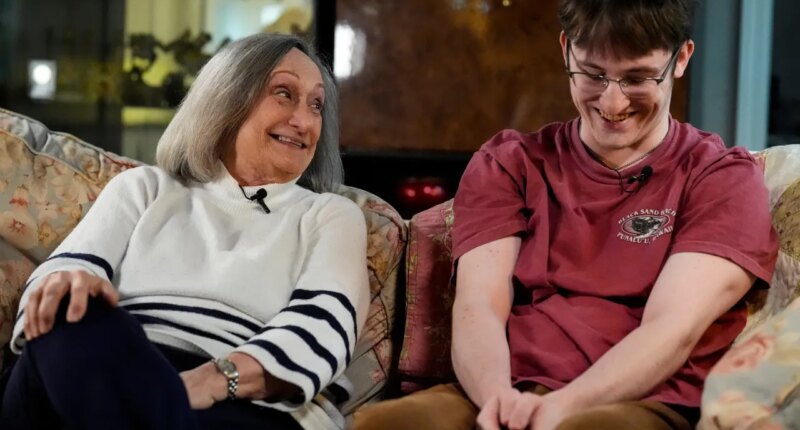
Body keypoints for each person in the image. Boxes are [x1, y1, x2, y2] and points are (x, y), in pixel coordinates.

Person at [353, 1, 778, 429]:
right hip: (507, 388)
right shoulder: (510, 162)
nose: (612, 103)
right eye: (592, 74)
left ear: (681, 58)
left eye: (637, 78)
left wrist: (563, 408)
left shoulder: (721, 178)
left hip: (644, 399)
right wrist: (496, 400)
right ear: (565, 50)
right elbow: (478, 306)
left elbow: (672, 329)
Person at [1, 33, 369, 430]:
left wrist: (211, 380)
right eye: (284, 93)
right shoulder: (145, 188)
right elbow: (64, 279)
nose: (304, 120)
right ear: (228, 97)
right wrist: (70, 289)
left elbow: (323, 326)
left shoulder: (329, 215)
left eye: (316, 105)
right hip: (109, 365)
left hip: (239, 399)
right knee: (70, 309)